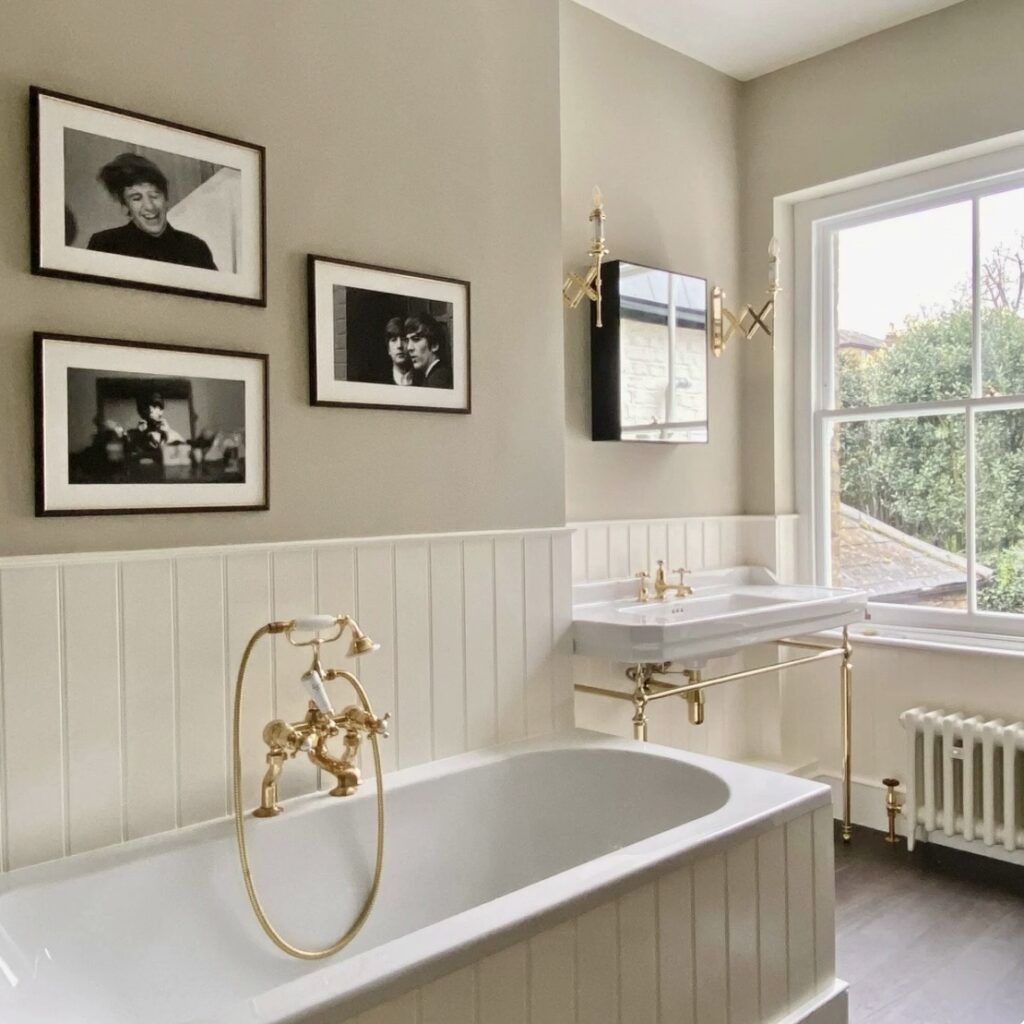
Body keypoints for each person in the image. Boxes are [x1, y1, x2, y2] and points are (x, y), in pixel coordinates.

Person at [87, 153, 217, 270]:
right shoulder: (105, 244)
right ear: (125, 206)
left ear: (166, 199)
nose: (149, 206)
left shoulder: (195, 248)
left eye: (154, 196)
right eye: (136, 198)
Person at [126, 392, 185, 460]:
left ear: (161, 411)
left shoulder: (174, 435)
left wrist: (167, 434)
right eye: (145, 406)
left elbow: (183, 457)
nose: (150, 410)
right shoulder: (131, 435)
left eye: (154, 406)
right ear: (140, 411)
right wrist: (137, 434)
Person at [404, 313, 453, 388]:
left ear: (434, 345)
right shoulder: (431, 377)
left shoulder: (439, 380)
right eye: (408, 341)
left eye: (416, 339)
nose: (409, 347)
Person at [385, 315, 416, 385]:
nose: (399, 346)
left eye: (404, 339)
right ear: (388, 349)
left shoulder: (424, 380)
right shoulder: (380, 382)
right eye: (393, 340)